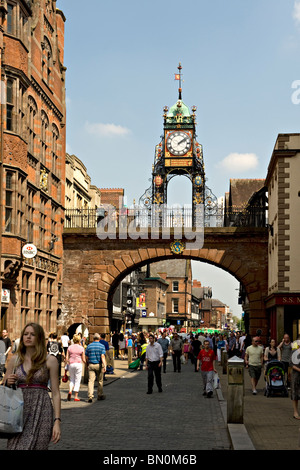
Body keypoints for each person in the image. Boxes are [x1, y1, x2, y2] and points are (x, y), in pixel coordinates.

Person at [4, 323, 61, 450]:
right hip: (18, 411)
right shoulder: (15, 359)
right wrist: (8, 381)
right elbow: (4, 386)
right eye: (26, 334)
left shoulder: (50, 360)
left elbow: (56, 393)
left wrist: (57, 421)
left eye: (32, 334)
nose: (28, 337)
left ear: (39, 338)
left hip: (42, 410)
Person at [85, 333, 107, 402]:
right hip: (99, 365)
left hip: (91, 365)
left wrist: (86, 365)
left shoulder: (89, 346)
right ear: (99, 338)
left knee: (91, 381)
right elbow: (102, 356)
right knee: (100, 381)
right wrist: (105, 365)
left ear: (93, 338)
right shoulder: (102, 346)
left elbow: (86, 357)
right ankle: (100, 394)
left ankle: (90, 396)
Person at [66, 334, 86, 401]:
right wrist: (86, 363)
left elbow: (66, 358)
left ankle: (70, 391)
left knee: (72, 379)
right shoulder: (81, 348)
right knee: (77, 380)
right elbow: (83, 359)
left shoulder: (70, 347)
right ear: (79, 340)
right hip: (78, 364)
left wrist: (66, 364)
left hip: (71, 364)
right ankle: (76, 396)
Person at [290, 339, 300, 419]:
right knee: (295, 392)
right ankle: (295, 412)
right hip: (296, 374)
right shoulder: (294, 352)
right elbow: (291, 364)